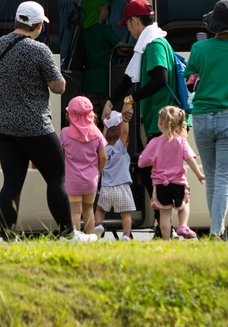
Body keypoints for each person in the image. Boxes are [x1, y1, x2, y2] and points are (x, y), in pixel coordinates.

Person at [0, 1, 96, 242]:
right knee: (56, 177)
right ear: (38, 25)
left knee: (12, 182)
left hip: (3, 125)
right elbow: (58, 87)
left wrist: (0, 80)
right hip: (34, 125)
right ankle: (68, 234)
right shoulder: (40, 50)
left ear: (17, 21)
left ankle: (5, 236)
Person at [103, 0, 187, 229]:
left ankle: (166, 225)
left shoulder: (154, 45)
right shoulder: (149, 43)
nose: (128, 31)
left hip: (163, 122)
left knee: (151, 171)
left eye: (127, 26)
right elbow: (130, 78)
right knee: (155, 172)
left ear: (133, 21)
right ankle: (166, 226)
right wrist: (111, 101)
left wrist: (131, 99)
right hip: (157, 120)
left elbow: (161, 79)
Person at [184, 0, 228, 240]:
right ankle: (216, 231)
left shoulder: (199, 49)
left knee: (211, 178)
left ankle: (218, 230)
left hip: (202, 117)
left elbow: (189, 73)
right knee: (224, 178)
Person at [137, 105, 205, 240]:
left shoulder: (154, 143)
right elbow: (190, 159)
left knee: (164, 215)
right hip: (178, 183)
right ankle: (183, 225)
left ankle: (166, 240)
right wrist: (199, 174)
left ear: (160, 122)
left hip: (161, 185)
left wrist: (152, 160)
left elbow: (141, 162)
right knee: (184, 203)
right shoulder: (181, 141)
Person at [60, 96, 107, 237]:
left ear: (69, 115)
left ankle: (76, 238)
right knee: (88, 210)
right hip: (91, 178)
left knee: (75, 211)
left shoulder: (65, 133)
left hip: (72, 179)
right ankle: (90, 237)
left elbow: (59, 153)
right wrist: (97, 171)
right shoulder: (97, 133)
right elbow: (103, 157)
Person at [94, 103, 137, 240]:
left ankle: (99, 224)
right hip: (122, 187)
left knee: (100, 210)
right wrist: (125, 120)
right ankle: (126, 234)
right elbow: (124, 133)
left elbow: (103, 138)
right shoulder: (120, 149)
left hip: (106, 188)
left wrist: (106, 125)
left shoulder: (103, 150)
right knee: (126, 214)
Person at [80, 0, 123, 109]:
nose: (108, 13)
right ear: (100, 9)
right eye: (106, 8)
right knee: (107, 121)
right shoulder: (104, 29)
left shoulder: (83, 32)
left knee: (90, 119)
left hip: (88, 83)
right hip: (104, 81)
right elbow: (121, 47)